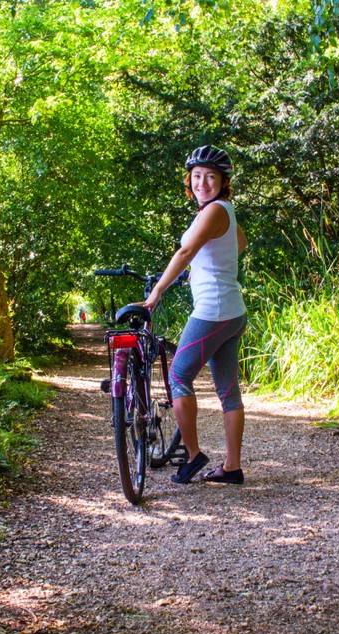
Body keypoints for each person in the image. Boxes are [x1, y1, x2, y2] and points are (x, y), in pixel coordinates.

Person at [144, 145, 248, 485]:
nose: (203, 182)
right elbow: (239, 243)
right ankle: (232, 468)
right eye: (198, 176)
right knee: (228, 393)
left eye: (211, 177)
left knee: (178, 377)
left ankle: (192, 455)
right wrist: (206, 266)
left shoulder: (212, 211)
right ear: (190, 180)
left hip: (212, 311)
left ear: (222, 181)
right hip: (232, 311)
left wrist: (158, 289)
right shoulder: (224, 211)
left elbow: (187, 250)